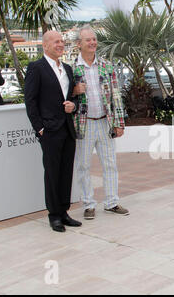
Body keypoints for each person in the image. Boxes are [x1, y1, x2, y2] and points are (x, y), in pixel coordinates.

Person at [24, 31, 82, 233]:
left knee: (66, 172)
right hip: (49, 130)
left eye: (62, 41)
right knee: (52, 173)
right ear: (45, 45)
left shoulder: (66, 68)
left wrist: (72, 106)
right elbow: (30, 101)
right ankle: (54, 215)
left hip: (67, 128)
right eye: (56, 41)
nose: (61, 44)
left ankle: (64, 212)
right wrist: (39, 128)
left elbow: (73, 97)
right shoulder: (36, 68)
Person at [71, 25, 128, 220]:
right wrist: (74, 91)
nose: (93, 42)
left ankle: (111, 202)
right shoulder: (71, 68)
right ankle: (88, 204)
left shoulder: (106, 65)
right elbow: (63, 95)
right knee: (83, 166)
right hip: (84, 124)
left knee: (110, 164)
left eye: (94, 39)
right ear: (79, 44)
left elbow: (116, 95)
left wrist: (119, 122)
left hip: (105, 123)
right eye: (88, 40)